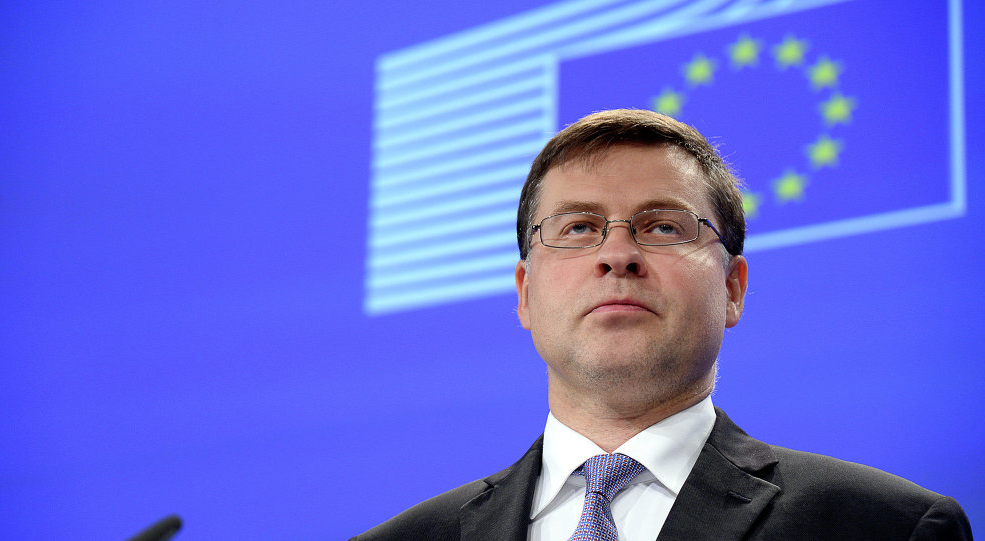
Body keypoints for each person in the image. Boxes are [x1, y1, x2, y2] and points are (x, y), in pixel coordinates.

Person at [352, 109, 973, 540]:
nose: (616, 254)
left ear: (733, 289)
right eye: (576, 227)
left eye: (663, 227)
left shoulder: (885, 527)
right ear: (524, 294)